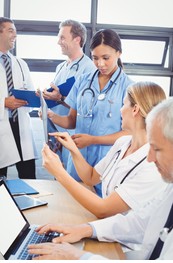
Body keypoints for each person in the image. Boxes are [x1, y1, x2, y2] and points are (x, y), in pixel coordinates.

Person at [28, 97, 173, 260]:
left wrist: (78, 258)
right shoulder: (169, 191)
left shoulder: (153, 172)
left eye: (157, 149)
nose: (150, 158)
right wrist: (85, 229)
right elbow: (139, 223)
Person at [41, 81, 167, 218]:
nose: (120, 110)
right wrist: (72, 148)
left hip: (126, 237)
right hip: (109, 227)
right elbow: (91, 177)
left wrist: (59, 173)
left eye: (124, 104)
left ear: (135, 109)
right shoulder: (123, 143)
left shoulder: (153, 164)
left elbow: (103, 209)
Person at [47, 29, 133, 195]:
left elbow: (128, 133)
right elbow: (72, 120)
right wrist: (51, 116)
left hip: (107, 162)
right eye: (95, 58)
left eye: (105, 58)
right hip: (78, 158)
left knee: (100, 209)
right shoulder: (83, 81)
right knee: (73, 204)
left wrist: (93, 140)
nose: (100, 64)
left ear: (119, 53)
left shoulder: (128, 87)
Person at [40, 19, 96, 169]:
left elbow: (86, 107)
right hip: (55, 130)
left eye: (62, 37)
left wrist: (60, 98)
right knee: (57, 175)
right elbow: (57, 95)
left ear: (77, 39)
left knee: (71, 176)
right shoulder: (61, 67)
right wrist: (44, 96)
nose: (58, 42)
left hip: (71, 133)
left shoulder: (89, 68)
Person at [0, 17, 37, 179]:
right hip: (1, 125)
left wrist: (33, 97)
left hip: (20, 125)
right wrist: (3, 102)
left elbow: (30, 91)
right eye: (10, 31)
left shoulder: (21, 64)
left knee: (29, 175)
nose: (15, 35)